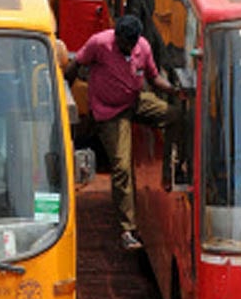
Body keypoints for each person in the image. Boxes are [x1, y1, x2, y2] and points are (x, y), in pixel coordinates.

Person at [64, 13, 180, 251]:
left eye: (129, 43)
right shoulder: (100, 43)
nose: (125, 47)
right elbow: (77, 63)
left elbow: (154, 78)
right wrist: (64, 91)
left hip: (134, 101)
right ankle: (127, 229)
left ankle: (174, 165)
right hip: (110, 113)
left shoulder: (143, 47)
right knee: (121, 167)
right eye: (122, 42)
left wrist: (176, 92)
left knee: (175, 116)